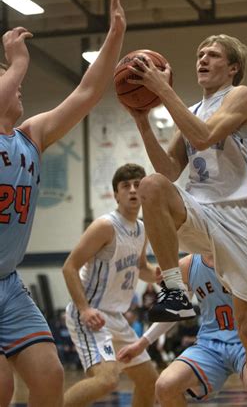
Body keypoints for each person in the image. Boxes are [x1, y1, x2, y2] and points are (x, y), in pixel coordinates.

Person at [125, 34, 247, 405]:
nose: (202, 59)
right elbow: (169, 169)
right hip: (201, 209)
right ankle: (174, 290)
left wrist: (160, 89)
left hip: (240, 216)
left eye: (213, 55)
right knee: (153, 185)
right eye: (199, 53)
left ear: (233, 67)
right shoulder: (189, 108)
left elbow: (204, 136)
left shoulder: (242, 96)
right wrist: (143, 121)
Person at [0, 0, 125, 405]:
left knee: (50, 376)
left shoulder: (30, 136)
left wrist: (115, 35)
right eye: (12, 83)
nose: (20, 87)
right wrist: (17, 63)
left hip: (8, 284)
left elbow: (88, 92)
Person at [117, 254, 247, 406]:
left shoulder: (244, 261)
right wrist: (142, 343)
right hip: (209, 344)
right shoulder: (188, 265)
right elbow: (175, 309)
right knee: (165, 385)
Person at [62, 164, 158, 407]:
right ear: (116, 194)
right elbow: (69, 267)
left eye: (138, 184)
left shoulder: (142, 229)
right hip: (91, 315)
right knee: (106, 380)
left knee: (149, 381)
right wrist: (84, 309)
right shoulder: (105, 226)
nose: (133, 190)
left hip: (116, 318)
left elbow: (141, 269)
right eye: (126, 186)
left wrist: (164, 273)